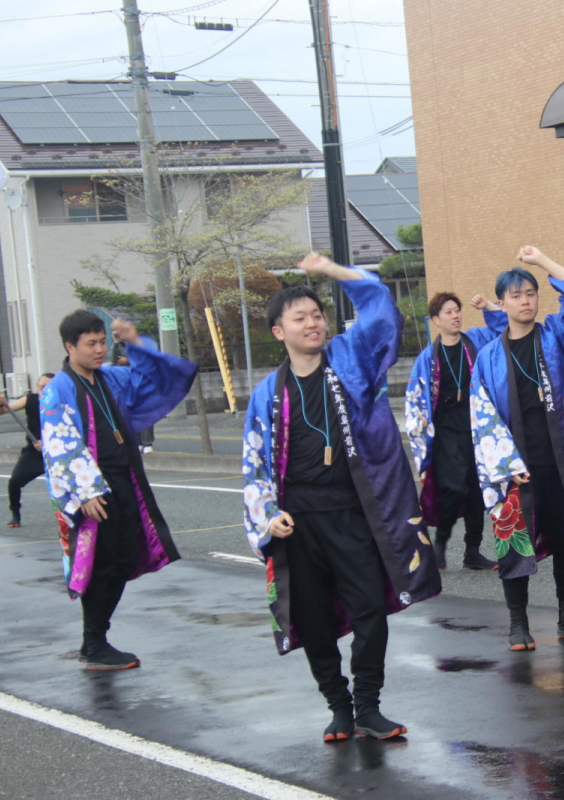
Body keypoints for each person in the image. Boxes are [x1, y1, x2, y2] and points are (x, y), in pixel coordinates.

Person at [243, 253, 441, 743]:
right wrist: (268, 515)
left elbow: (380, 309)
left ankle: (368, 705)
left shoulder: (351, 359)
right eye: (300, 318)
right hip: (298, 521)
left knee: (370, 609)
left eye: (317, 314)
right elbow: (255, 463)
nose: (313, 323)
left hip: (353, 511)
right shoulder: (267, 393)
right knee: (312, 619)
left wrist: (332, 271)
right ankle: (338, 706)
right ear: (279, 332)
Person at [40, 312, 198, 670]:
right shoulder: (59, 388)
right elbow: (59, 442)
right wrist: (85, 491)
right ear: (70, 347)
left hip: (124, 480)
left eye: (102, 342)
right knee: (100, 564)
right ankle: (95, 643)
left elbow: (156, 377)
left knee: (123, 558)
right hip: (92, 491)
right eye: (91, 344)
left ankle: (94, 641)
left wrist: (135, 342)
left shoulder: (110, 377)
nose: (99, 350)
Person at [469, 246, 564, 651]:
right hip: (515, 466)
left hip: (561, 459)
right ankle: (518, 623)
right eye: (516, 296)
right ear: (501, 304)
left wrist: (543, 261)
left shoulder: (558, 335)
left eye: (531, 293)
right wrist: (505, 463)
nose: (526, 301)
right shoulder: (489, 357)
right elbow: (482, 415)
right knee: (513, 542)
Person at [406, 291, 506, 571]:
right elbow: (415, 400)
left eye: (457, 310)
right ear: (436, 320)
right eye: (448, 312)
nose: (455, 316)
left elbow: (504, 330)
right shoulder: (428, 358)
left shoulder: (475, 341)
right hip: (445, 428)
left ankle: (472, 552)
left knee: (476, 489)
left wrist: (488, 306)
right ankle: (440, 544)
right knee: (454, 487)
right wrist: (420, 435)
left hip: (474, 424)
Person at [0, 372, 54, 527]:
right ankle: (15, 514)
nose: (43, 389)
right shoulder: (30, 399)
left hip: (57, 452)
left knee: (68, 486)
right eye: (41, 386)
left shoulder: (61, 402)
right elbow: (3, 411)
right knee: (14, 481)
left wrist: (47, 444)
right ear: (37, 385)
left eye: (48, 386)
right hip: (33, 453)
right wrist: (1, 404)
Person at [109, 326, 155, 453]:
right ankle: (138, 442)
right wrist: (116, 343)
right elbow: (114, 360)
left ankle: (147, 443)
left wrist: (127, 360)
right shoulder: (119, 347)